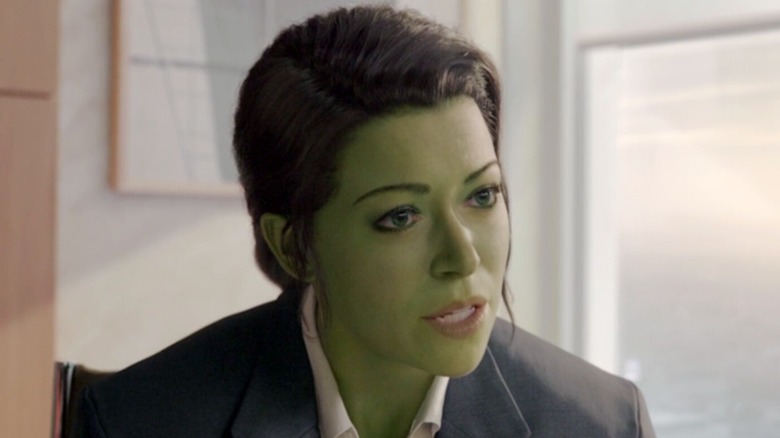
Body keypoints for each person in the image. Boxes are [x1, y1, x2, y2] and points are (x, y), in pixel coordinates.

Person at [80, 5, 655, 437]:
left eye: (482, 195)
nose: (463, 257)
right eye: (401, 216)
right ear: (294, 246)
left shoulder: (601, 423)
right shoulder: (137, 421)